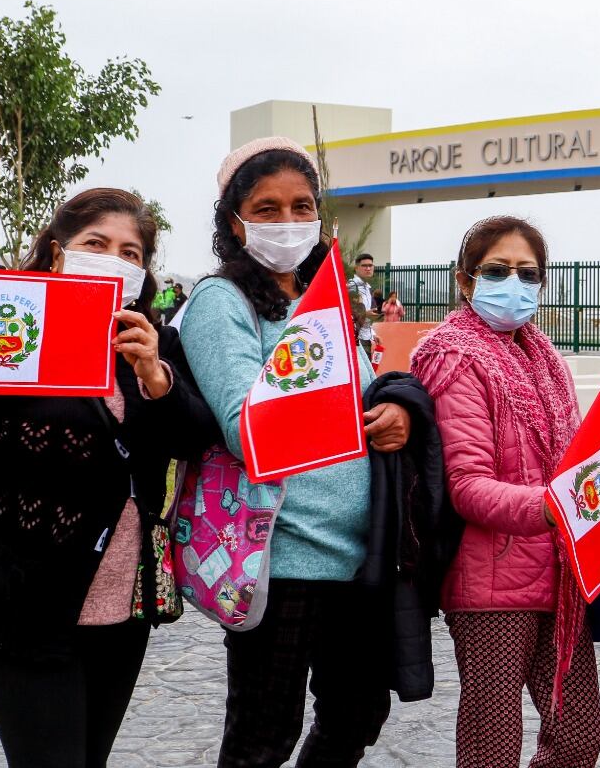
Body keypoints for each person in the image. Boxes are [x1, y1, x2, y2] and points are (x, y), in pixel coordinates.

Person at [0, 188, 219, 768]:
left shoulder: (155, 342)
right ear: (57, 255)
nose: (114, 261)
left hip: (121, 612)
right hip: (18, 610)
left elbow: (195, 440)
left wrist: (156, 375)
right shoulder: (9, 339)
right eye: (95, 245)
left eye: (130, 253)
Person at [179, 136, 410, 768]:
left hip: (357, 557)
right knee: (262, 737)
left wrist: (390, 415)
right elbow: (242, 425)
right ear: (236, 220)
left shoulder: (323, 303)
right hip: (280, 558)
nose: (288, 222)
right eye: (268, 207)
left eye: (302, 206)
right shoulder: (220, 302)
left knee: (357, 716)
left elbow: (364, 399)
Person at [411, 216, 600, 768]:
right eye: (497, 271)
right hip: (490, 584)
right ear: (465, 280)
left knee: (578, 735)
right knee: (490, 749)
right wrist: (555, 505)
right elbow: (468, 487)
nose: (514, 283)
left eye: (527, 272)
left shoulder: (546, 360)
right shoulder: (453, 356)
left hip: (561, 578)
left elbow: (576, 464)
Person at [350, 252, 377, 356]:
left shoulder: (367, 287)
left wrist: (373, 334)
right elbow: (347, 313)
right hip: (356, 339)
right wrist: (365, 314)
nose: (368, 268)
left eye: (370, 266)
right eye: (364, 266)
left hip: (366, 338)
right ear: (356, 268)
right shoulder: (352, 286)